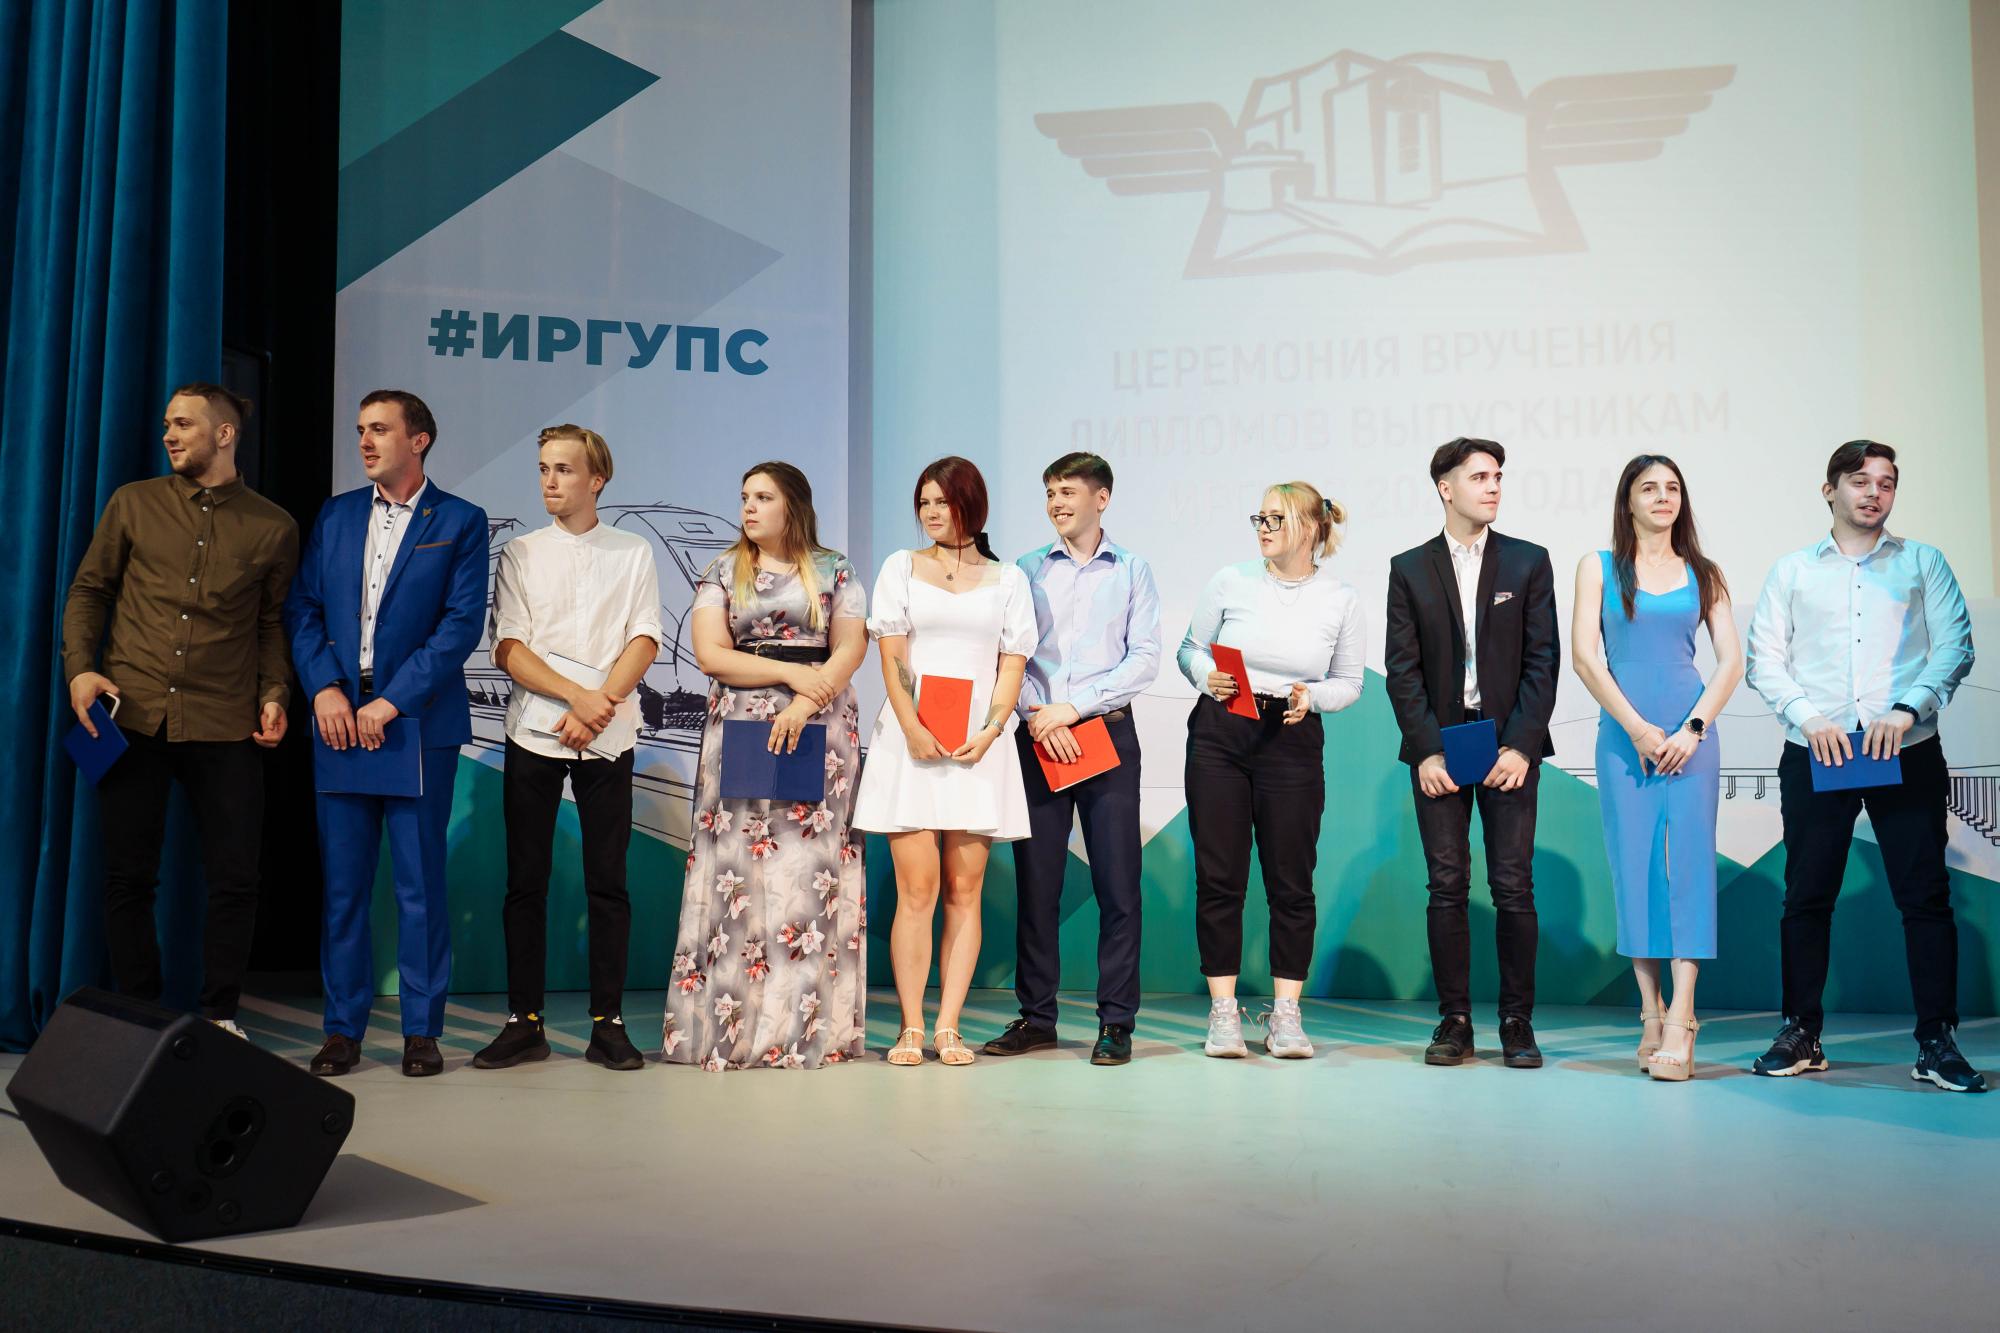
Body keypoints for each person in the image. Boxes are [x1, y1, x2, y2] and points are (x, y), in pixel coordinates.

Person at [1745, 441, 1983, 1092]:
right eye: (1859, 480)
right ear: (1830, 490)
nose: (1874, 493)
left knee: (1926, 897)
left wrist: (1907, 710)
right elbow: (1764, 658)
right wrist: (1809, 718)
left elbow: (1956, 645)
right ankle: (1801, 1031)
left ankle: (1936, 1042)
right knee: (1806, 895)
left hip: (1905, 747)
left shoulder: (1924, 561)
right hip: (1817, 749)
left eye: (1886, 483)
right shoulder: (1793, 570)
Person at [61, 384, 298, 1036]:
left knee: (235, 878)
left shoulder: (273, 525)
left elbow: (271, 624)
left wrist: (274, 693)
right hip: (132, 714)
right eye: (168, 423)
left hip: (225, 721)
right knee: (128, 877)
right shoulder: (133, 502)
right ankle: (141, 1015)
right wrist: (80, 668)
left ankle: (220, 1016)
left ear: (224, 434)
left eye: (184, 424)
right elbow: (89, 590)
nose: (169, 434)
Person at [285, 390, 488, 1078]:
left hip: (417, 724)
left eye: (379, 429)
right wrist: (325, 688)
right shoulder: (337, 514)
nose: (365, 442)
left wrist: (393, 701)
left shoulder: (459, 520)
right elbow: (303, 609)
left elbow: (460, 626)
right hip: (340, 720)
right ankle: (341, 1030)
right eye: (360, 430)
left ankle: (421, 1032)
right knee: (344, 889)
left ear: (418, 440)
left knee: (419, 885)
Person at [664, 462, 869, 1070]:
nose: (748, 507)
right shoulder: (723, 570)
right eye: (744, 497)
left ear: (793, 506)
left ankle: (806, 1028)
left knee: (808, 871)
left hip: (820, 728)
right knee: (739, 869)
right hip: (742, 727)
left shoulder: (835, 569)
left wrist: (805, 701)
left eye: (762, 497)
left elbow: (851, 646)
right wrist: (786, 673)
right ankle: (733, 1028)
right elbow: (710, 654)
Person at [471, 426, 662, 1073]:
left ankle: (608, 1025)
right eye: (543, 468)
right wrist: (578, 699)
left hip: (609, 734)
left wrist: (599, 704)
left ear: (596, 479)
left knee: (608, 883)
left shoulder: (633, 551)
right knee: (525, 882)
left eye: (564, 469)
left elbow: (644, 636)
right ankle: (525, 1022)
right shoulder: (521, 552)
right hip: (535, 732)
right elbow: (509, 646)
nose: (549, 481)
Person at [852, 456, 1035, 1067]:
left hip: (978, 744)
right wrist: (911, 727)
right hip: (913, 740)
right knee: (918, 888)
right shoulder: (900, 567)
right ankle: (910, 1026)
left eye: (943, 502)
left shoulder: (1009, 579)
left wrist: (993, 729)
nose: (931, 512)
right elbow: (893, 655)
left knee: (965, 888)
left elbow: (1012, 663)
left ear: (971, 505)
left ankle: (948, 1026)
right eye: (924, 502)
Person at [1384, 438, 1558, 1069]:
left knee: (1513, 884)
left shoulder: (1528, 561)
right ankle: (1455, 1019)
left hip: (1509, 743)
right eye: (1480, 476)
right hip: (1441, 743)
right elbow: (1402, 670)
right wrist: (1428, 751)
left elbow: (1543, 661)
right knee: (1447, 883)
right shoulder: (1409, 568)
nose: (1493, 487)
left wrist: (1521, 745)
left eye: (1498, 477)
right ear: (1445, 487)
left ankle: (1517, 1020)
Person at [1175, 481, 1363, 1060]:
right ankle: (1223, 1013)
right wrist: (1203, 675)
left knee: (1291, 882)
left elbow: (1349, 682)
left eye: (1275, 518)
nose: (1262, 527)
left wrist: (1314, 698)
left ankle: (1286, 1015)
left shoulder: (1340, 597)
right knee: (1220, 877)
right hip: (1222, 731)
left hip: (1291, 734)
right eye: (1259, 517)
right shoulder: (1230, 580)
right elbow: (1189, 648)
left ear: (1310, 527)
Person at [984, 453, 1161, 1067]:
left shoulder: (1132, 570)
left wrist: (1073, 709)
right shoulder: (1025, 570)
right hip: (1039, 736)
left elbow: (1143, 659)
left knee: (1118, 886)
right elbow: (1010, 654)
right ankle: (1037, 1017)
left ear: (1101, 498)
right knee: (1038, 886)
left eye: (1067, 492)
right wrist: (1038, 715)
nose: (1057, 503)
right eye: (1050, 493)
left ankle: (1116, 1022)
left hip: (1105, 734)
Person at [1570, 455, 1741, 1082]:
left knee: (1690, 868)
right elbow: (1585, 657)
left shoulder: (1705, 572)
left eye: (1672, 488)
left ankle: (1683, 1018)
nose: (1663, 497)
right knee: (1635, 868)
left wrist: (1692, 729)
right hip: (1624, 738)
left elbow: (1731, 662)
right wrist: (1638, 729)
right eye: (1649, 488)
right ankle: (1650, 1012)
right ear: (1629, 501)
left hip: (1692, 738)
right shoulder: (1598, 566)